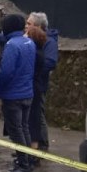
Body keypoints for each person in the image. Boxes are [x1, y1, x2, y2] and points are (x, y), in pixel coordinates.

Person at [0, 14, 36, 172]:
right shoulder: (29, 42)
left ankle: (23, 165)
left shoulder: (11, 45)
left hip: (12, 95)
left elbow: (7, 72)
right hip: (27, 93)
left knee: (16, 131)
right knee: (24, 128)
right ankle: (28, 161)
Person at [25, 13, 59, 161]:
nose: (26, 26)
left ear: (38, 26)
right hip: (31, 83)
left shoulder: (49, 42)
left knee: (39, 114)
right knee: (32, 116)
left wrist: (35, 70)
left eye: (29, 23)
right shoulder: (28, 40)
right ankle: (31, 145)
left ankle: (42, 145)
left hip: (39, 84)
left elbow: (51, 62)